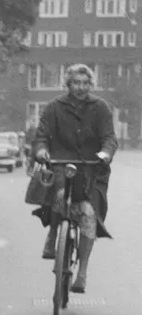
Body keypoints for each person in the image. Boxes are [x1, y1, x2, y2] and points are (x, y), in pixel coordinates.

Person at [30, 64, 116, 293]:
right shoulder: (54, 107)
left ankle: (82, 272)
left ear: (91, 85)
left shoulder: (100, 107)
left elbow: (109, 138)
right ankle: (52, 234)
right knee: (58, 193)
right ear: (68, 84)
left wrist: (105, 154)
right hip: (61, 164)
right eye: (76, 82)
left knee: (89, 215)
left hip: (91, 168)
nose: (81, 87)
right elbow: (41, 136)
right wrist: (41, 151)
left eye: (85, 83)